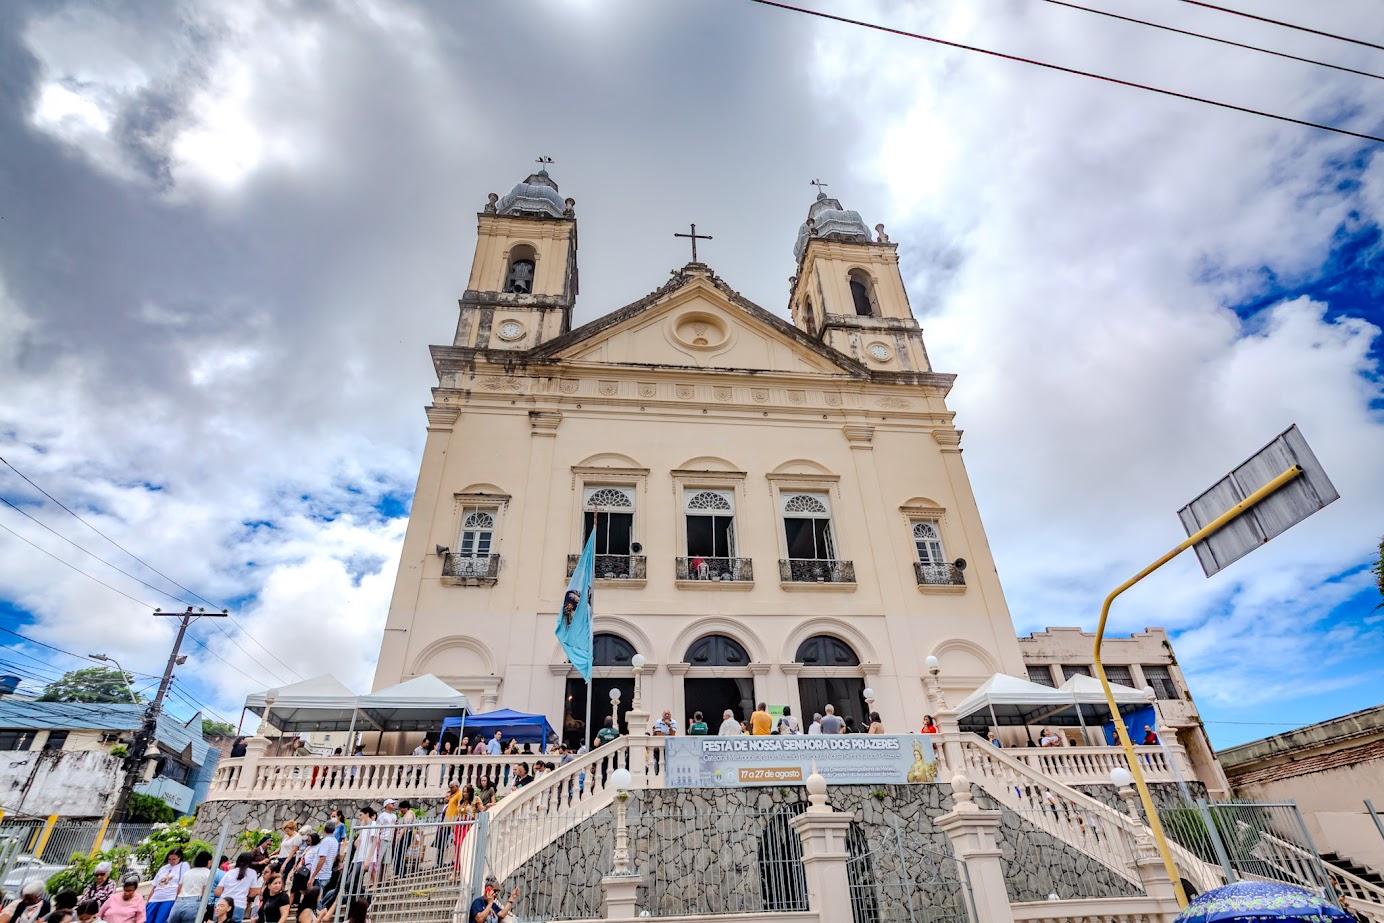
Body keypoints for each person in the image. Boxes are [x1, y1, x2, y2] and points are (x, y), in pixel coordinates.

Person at [167, 851, 213, 923]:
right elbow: (205, 893)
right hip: (194, 902)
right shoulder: (208, 873)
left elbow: (179, 889)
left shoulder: (188, 872)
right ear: (209, 861)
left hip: (179, 902)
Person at [145, 848, 188, 923]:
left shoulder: (183, 865)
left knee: (160, 920)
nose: (171, 861)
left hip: (170, 897)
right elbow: (154, 886)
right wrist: (148, 901)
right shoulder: (163, 868)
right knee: (147, 919)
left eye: (174, 859)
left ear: (179, 858)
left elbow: (183, 883)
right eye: (169, 859)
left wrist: (177, 899)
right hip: (156, 896)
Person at [215, 855, 261, 923]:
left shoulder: (229, 873)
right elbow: (254, 893)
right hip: (239, 905)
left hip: (222, 905)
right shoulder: (252, 873)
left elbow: (217, 892)